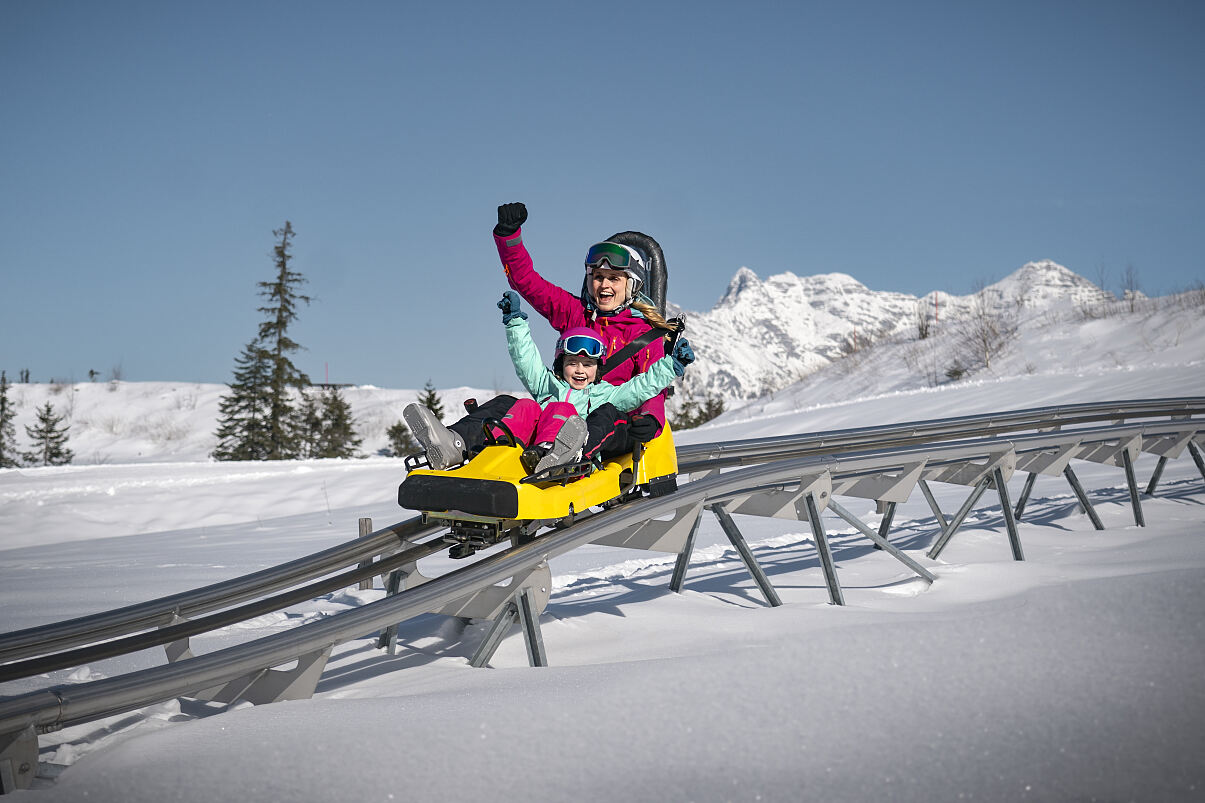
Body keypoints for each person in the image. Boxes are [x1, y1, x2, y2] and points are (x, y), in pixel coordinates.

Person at [404, 291, 695, 475]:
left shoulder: (605, 394)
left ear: (598, 369)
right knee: (519, 405)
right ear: (560, 365)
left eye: (588, 365)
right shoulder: (549, 386)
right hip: (520, 450)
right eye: (572, 363)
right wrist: (515, 323)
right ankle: (454, 443)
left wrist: (672, 365)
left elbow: (640, 387)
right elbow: (526, 360)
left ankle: (558, 454)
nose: (580, 370)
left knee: (577, 414)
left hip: (570, 457)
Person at [493, 202, 680, 454]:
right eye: (598, 277)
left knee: (605, 416)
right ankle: (464, 445)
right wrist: (509, 237)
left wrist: (651, 417)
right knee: (506, 405)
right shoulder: (574, 312)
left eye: (614, 278)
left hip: (611, 426)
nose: (605, 285)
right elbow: (526, 282)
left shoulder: (644, 334)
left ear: (631, 285)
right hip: (562, 413)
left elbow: (652, 386)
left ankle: (568, 455)